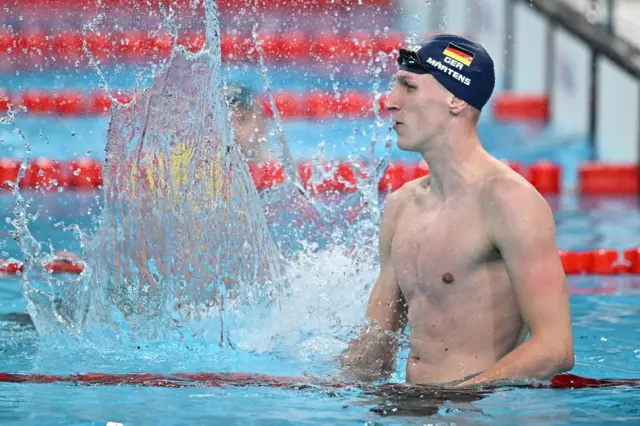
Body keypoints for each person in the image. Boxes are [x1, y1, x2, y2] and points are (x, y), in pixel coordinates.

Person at [338, 34, 574, 387]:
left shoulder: (509, 201)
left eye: (409, 87)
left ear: (455, 100)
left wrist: (459, 395)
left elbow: (555, 348)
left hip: (476, 410)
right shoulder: (402, 205)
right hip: (412, 406)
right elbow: (376, 351)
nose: (390, 102)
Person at [224, 84, 275, 164]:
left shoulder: (280, 170)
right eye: (227, 121)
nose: (232, 128)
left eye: (241, 119)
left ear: (261, 123)